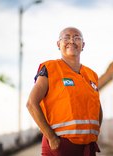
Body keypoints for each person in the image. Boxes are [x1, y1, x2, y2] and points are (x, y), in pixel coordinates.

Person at [27, 27, 103, 156]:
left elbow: (98, 108)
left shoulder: (92, 75)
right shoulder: (50, 68)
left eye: (77, 38)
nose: (72, 41)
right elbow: (31, 103)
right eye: (66, 37)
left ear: (83, 45)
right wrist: (51, 138)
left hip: (88, 147)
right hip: (62, 145)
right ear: (58, 44)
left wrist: (94, 133)